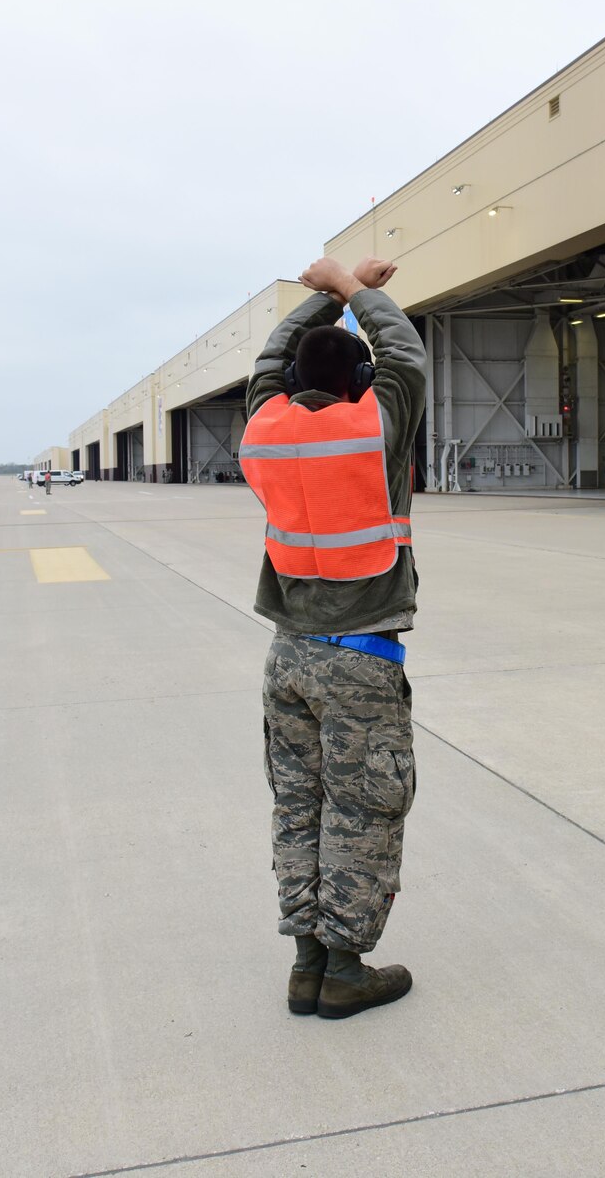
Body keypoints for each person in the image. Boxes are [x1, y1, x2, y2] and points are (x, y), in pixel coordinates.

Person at [241, 253, 425, 1021]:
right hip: (360, 657)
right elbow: (405, 356)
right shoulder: (371, 425)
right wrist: (354, 290)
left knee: (300, 803)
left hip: (286, 656)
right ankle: (346, 968)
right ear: (358, 381)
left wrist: (322, 295)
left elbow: (267, 363)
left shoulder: (265, 428)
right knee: (362, 805)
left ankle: (307, 962)